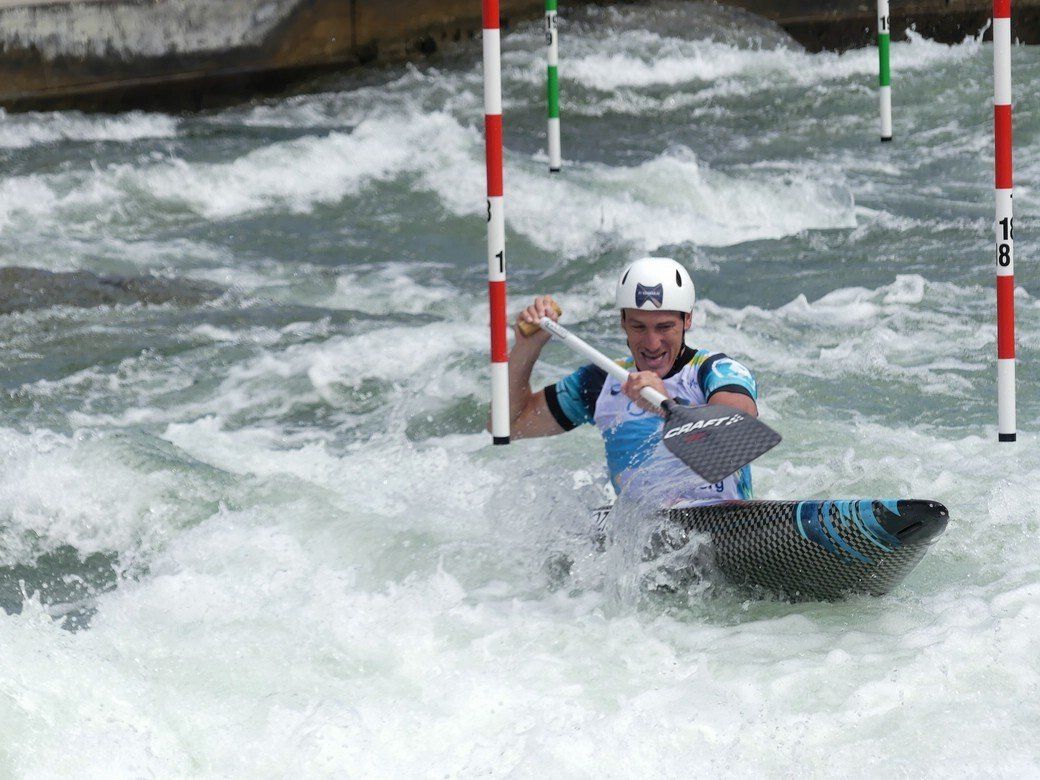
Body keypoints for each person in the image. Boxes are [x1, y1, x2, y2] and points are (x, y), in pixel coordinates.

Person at [497, 256, 760, 504]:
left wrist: (665, 405)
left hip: (722, 523)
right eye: (638, 327)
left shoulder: (715, 371)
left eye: (664, 327)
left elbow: (740, 431)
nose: (652, 343)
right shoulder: (602, 380)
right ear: (623, 321)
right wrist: (526, 348)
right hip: (641, 534)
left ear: (687, 319)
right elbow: (508, 425)